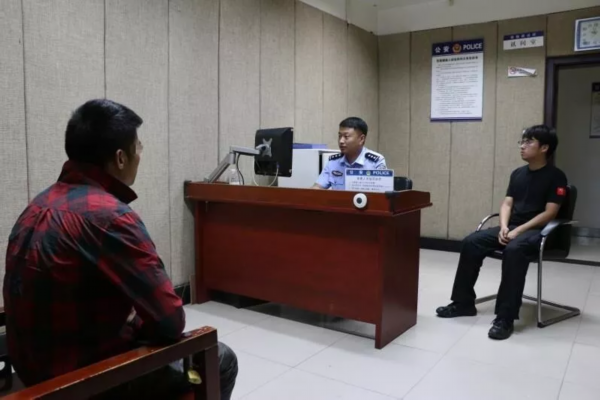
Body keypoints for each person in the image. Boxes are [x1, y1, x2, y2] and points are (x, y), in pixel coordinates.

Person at [3, 99, 238, 398]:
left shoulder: (37, 205)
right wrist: (136, 321)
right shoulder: (111, 217)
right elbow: (170, 321)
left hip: (31, 376)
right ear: (120, 158)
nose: (141, 153)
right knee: (221, 360)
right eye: (138, 146)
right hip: (84, 383)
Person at [436, 125, 567, 340]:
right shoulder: (518, 174)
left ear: (544, 148)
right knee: (471, 242)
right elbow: (507, 204)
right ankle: (463, 303)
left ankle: (505, 318)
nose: (522, 146)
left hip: (538, 232)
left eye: (529, 142)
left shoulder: (556, 176)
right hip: (513, 228)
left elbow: (550, 213)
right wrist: (505, 227)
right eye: (522, 141)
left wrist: (519, 231)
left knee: (514, 250)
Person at [312, 117, 386, 190]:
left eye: (346, 136)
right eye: (340, 136)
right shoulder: (333, 162)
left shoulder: (376, 161)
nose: (341, 141)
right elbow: (318, 187)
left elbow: (382, 192)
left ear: (361, 139)